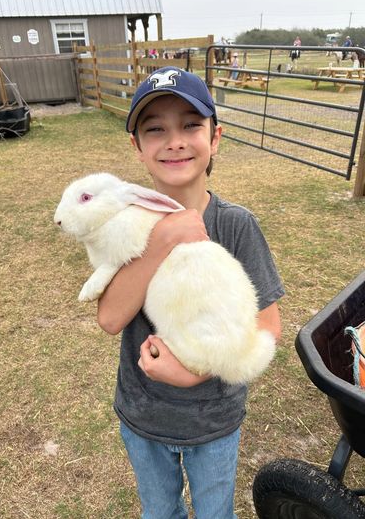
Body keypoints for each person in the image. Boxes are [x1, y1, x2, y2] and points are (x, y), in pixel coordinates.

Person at [97, 66, 284, 519]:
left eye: (190, 125)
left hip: (214, 418)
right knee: (160, 512)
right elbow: (110, 318)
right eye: (155, 129)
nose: (175, 141)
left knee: (216, 512)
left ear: (215, 137)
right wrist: (163, 238)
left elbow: (267, 324)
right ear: (136, 146)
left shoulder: (236, 225)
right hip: (143, 414)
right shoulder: (125, 225)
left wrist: (195, 371)